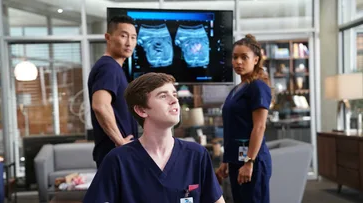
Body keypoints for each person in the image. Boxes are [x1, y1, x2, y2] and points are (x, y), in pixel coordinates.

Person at [83, 72, 225, 203]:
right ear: (141, 110)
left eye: (174, 94)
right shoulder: (118, 160)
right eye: (163, 96)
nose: (174, 100)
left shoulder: (197, 155)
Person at [216, 34, 273, 203]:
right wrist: (227, 160)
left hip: (252, 161)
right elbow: (233, 128)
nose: (238, 62)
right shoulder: (237, 89)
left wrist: (249, 162)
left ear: (255, 60)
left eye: (244, 57)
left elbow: (259, 127)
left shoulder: (258, 87)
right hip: (236, 160)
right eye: (235, 57)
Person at [87, 15, 138, 168]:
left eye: (133, 37)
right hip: (115, 154)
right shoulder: (108, 68)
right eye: (123, 36)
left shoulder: (115, 68)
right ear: (108, 37)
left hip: (119, 153)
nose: (129, 42)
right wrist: (120, 141)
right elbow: (100, 106)